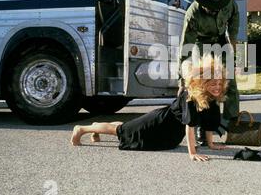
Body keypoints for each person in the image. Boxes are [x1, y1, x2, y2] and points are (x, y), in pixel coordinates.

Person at [70, 55, 229, 162]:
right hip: (159, 123)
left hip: (170, 132)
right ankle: (82, 129)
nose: (217, 87)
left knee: (125, 128)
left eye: (219, 83)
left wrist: (212, 144)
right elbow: (190, 126)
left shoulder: (211, 97)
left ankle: (95, 129)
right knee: (122, 131)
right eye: (212, 83)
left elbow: (209, 123)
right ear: (203, 82)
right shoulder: (191, 96)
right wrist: (193, 153)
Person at [179, 0, 240, 143]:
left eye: (216, 7)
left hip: (221, 42)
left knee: (229, 83)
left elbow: (234, 17)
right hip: (201, 45)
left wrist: (232, 39)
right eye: (210, 7)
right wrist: (182, 78)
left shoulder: (228, 3)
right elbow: (186, 45)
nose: (214, 10)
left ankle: (233, 124)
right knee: (205, 85)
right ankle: (204, 128)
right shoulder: (192, 13)